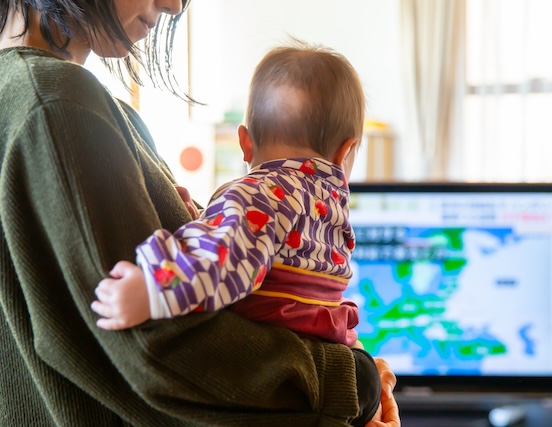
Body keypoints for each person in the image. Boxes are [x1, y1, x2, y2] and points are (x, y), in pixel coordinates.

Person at [0, 1, 400, 426]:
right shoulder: (58, 102)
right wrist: (355, 382)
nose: (173, 5)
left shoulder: (83, 105)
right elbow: (164, 353)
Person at [91, 43, 363, 351]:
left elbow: (222, 263)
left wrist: (151, 293)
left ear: (245, 143)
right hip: (327, 350)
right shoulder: (329, 210)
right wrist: (203, 219)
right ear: (345, 152)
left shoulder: (260, 194)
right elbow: (265, 249)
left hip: (269, 357)